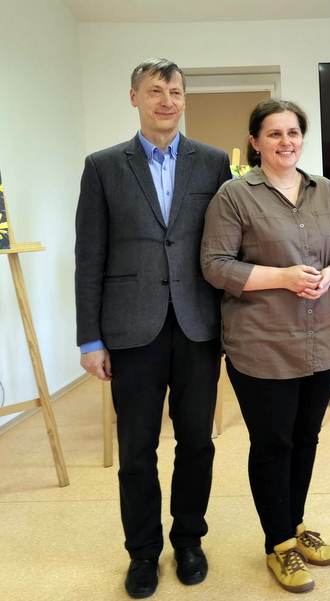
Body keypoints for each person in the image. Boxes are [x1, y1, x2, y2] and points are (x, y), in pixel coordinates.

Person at [74, 58, 231, 599]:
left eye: (176, 92)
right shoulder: (103, 166)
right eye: (156, 91)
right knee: (137, 449)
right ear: (134, 97)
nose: (167, 101)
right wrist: (90, 339)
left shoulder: (212, 162)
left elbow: (226, 245)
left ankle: (188, 540)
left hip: (197, 325)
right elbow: (89, 256)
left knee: (197, 442)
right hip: (130, 328)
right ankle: (142, 552)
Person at [200, 99, 330, 594]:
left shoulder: (325, 190)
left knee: (306, 437)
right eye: (274, 134)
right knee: (274, 443)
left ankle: (294, 523)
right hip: (261, 344)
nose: (285, 142)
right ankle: (278, 544)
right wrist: (283, 278)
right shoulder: (234, 195)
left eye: (293, 132)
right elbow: (215, 265)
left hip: (322, 340)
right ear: (255, 142)